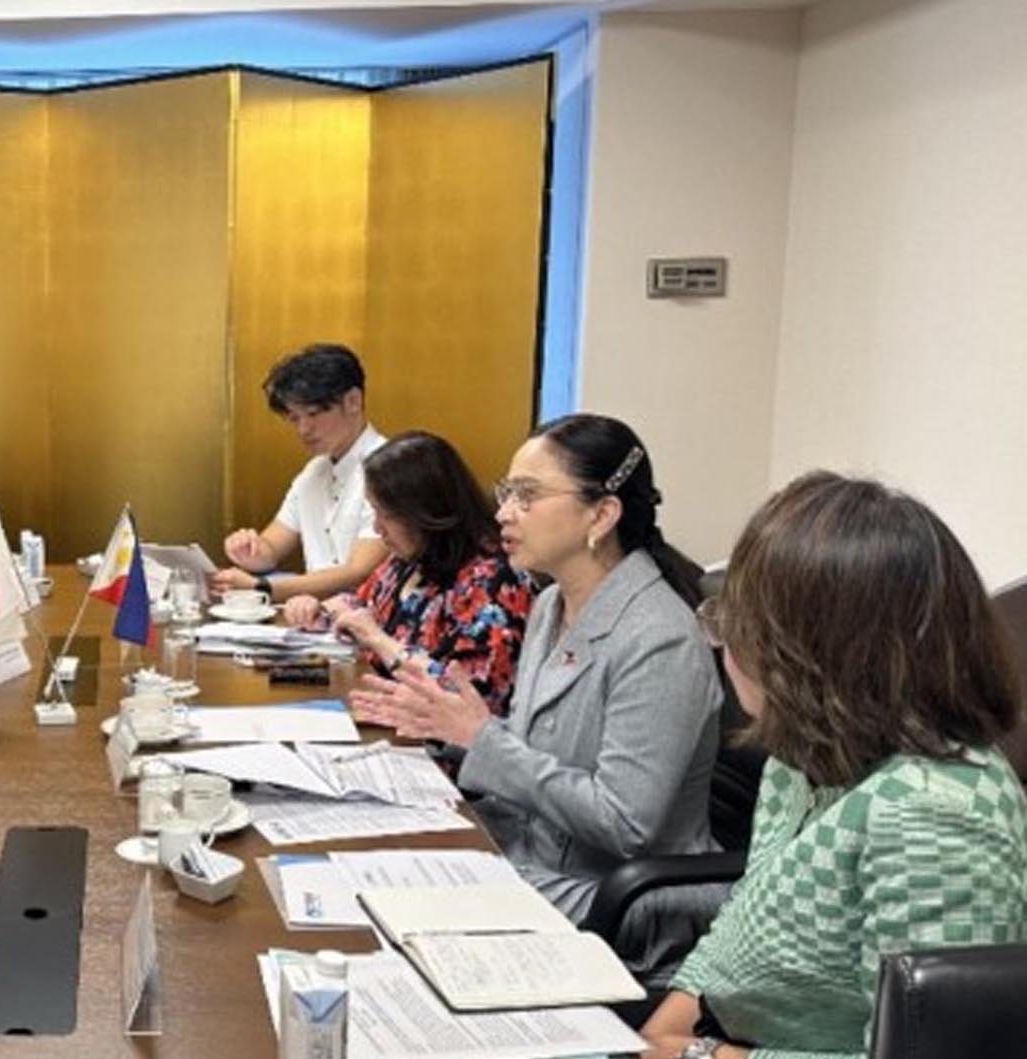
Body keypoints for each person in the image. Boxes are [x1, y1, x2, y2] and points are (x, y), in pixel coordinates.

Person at [640, 473, 1027, 1059]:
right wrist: (667, 1027)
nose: (723, 643)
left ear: (807, 653)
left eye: (735, 621)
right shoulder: (803, 755)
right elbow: (745, 915)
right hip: (731, 1036)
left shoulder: (931, 815)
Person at [363, 413, 721, 978]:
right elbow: (541, 746)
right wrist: (449, 728)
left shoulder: (660, 638)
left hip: (610, 900)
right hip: (532, 855)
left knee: (389, 941)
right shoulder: (552, 603)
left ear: (601, 514)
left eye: (527, 496)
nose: (503, 513)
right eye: (507, 493)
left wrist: (483, 739)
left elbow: (625, 823)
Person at [285, 430, 534, 716]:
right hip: (378, 710)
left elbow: (473, 701)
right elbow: (361, 606)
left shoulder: (492, 581)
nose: (377, 528)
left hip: (433, 737)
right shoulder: (407, 560)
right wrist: (319, 610)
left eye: (386, 515)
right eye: (374, 512)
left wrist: (378, 640)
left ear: (425, 511)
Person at [211, 343, 389, 604]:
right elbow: (271, 548)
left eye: (313, 414)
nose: (303, 429)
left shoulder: (390, 468)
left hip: (368, 617)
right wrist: (248, 549)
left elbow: (359, 572)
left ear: (353, 401)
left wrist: (264, 588)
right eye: (294, 418)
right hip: (314, 615)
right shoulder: (314, 471)